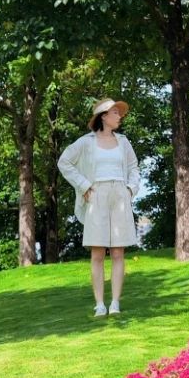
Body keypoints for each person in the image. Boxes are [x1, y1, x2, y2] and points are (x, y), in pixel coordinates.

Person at [57, 98, 140, 317]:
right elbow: (64, 162)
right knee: (97, 253)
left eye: (118, 113)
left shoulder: (123, 142)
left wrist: (130, 189)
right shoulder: (86, 142)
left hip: (120, 194)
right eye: (114, 113)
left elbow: (133, 167)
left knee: (118, 251)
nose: (119, 116)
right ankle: (99, 304)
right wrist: (83, 185)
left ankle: (115, 303)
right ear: (103, 116)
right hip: (96, 195)